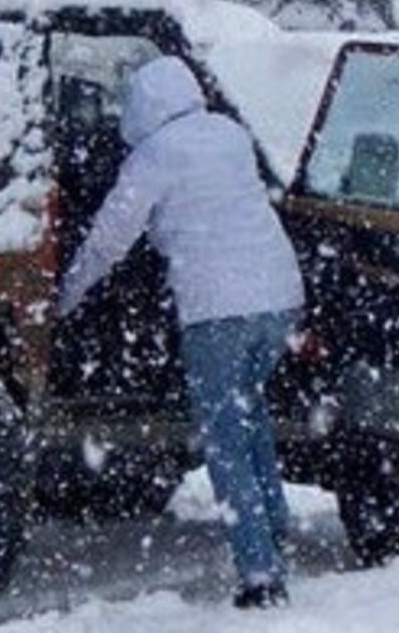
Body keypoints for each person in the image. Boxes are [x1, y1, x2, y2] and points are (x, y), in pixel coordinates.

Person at [58, 57, 307, 610]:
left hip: (218, 310)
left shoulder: (154, 155)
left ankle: (261, 574)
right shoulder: (230, 135)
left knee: (225, 440)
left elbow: (109, 238)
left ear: (142, 107)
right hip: (279, 298)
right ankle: (275, 532)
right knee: (250, 416)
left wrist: (66, 296)